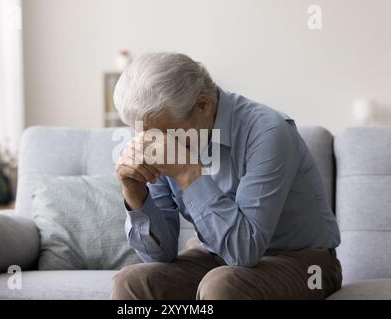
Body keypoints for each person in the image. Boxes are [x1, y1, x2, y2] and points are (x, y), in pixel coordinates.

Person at [112, 52, 341, 300]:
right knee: (132, 282)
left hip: (306, 263)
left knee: (222, 285)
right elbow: (160, 255)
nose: (154, 145)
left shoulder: (267, 132)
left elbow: (245, 251)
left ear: (202, 104)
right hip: (216, 258)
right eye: (144, 135)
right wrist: (135, 194)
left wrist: (187, 172)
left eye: (163, 135)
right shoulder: (160, 133)